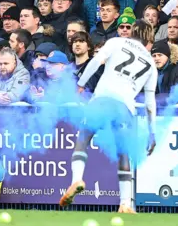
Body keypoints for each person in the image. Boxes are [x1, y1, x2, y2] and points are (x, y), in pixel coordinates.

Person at [60, 21, 158, 214]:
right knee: (123, 153)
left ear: (132, 31)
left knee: (83, 138)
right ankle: (125, 203)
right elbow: (149, 103)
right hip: (124, 108)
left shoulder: (116, 42)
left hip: (102, 100)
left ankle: (76, 179)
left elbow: (96, 61)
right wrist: (152, 132)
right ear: (149, 40)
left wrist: (81, 83)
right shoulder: (151, 64)